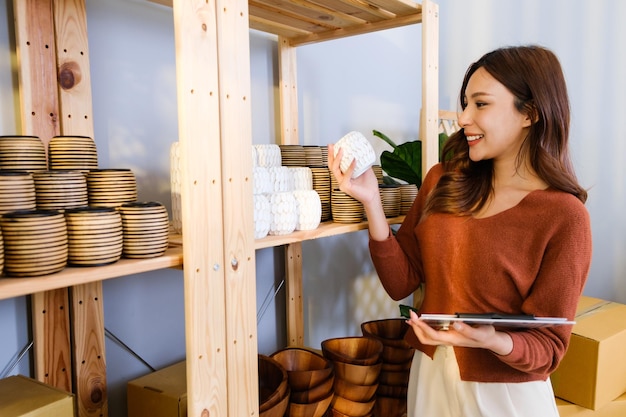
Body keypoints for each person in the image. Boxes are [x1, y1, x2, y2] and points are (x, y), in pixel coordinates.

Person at [328, 45, 592, 417]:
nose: (463, 117)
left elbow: (548, 348)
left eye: (480, 104)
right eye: (465, 103)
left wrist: (493, 340)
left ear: (529, 114)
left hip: (506, 396)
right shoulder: (442, 181)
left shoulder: (564, 216)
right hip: (431, 378)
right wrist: (371, 200)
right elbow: (401, 282)